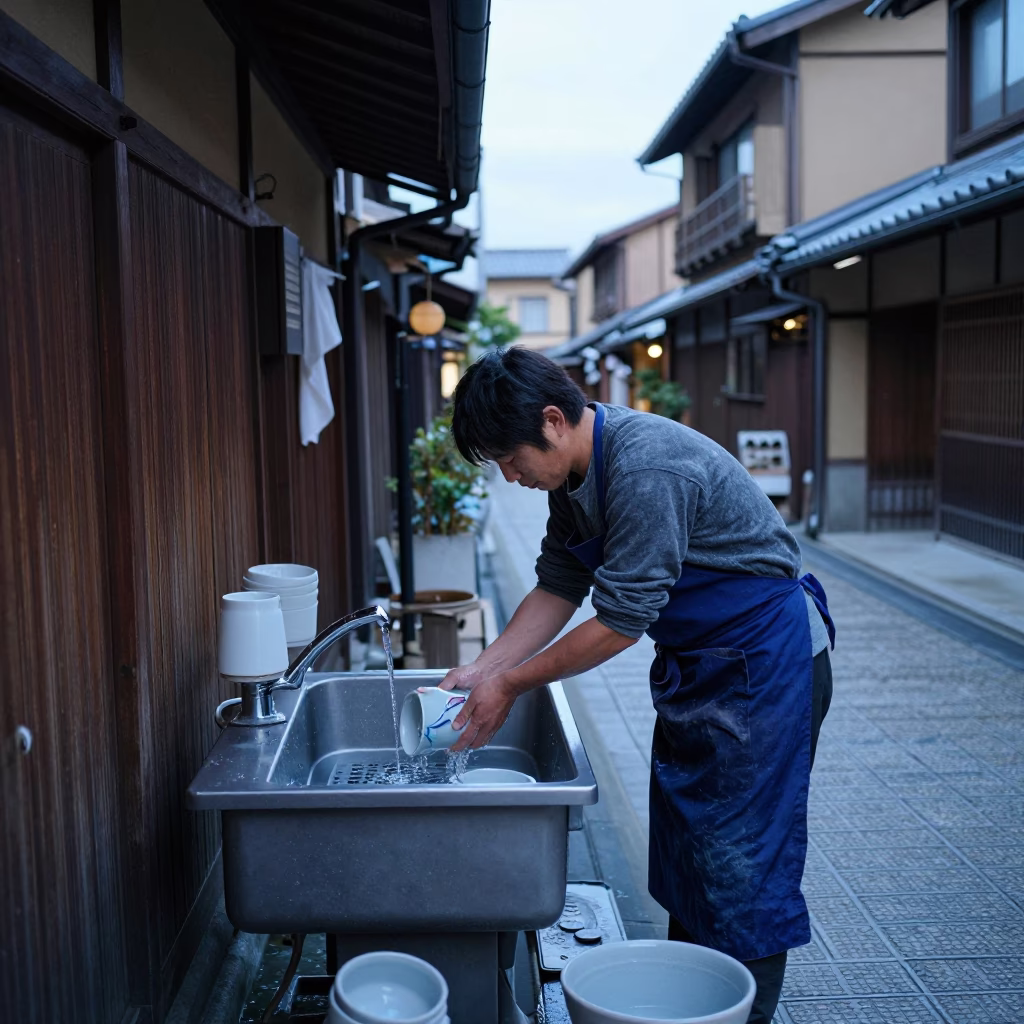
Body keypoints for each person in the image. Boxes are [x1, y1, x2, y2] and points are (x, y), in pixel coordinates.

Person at [439, 346, 834, 1024]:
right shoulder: (573, 479)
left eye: (510, 458)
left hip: (765, 665)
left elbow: (620, 622)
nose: (510, 476)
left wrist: (513, 685)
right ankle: (690, 997)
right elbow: (560, 584)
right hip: (704, 664)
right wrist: (485, 670)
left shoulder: (647, 467)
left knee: (742, 869)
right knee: (691, 851)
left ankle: (741, 1013)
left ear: (555, 421)